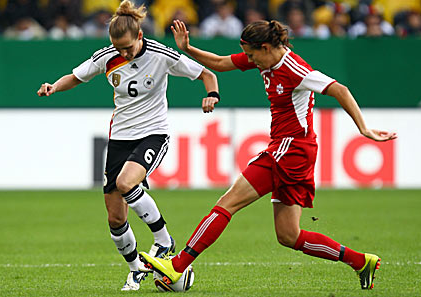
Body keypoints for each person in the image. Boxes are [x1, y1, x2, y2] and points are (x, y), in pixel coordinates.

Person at [138, 19, 397, 290]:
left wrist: (364, 128)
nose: (250, 61)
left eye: (252, 55)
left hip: (290, 149)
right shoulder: (265, 59)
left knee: (228, 203)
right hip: (298, 151)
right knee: (289, 235)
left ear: (265, 47)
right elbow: (220, 63)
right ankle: (361, 261)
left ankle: (177, 265)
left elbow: (339, 89)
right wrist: (188, 48)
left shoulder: (294, 67)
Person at [36, 0, 219, 291]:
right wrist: (54, 86)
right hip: (120, 137)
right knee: (115, 216)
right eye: (117, 47)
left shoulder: (161, 55)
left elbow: (207, 74)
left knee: (126, 182)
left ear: (140, 37)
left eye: (127, 48)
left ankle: (163, 239)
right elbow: (76, 76)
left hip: (153, 134)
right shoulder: (107, 56)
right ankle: (136, 269)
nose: (122, 53)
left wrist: (212, 94)